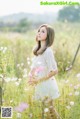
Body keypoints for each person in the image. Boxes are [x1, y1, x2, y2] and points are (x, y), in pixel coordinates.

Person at [28, 24, 61, 119]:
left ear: (49, 36)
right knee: (45, 110)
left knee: (50, 110)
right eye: (39, 31)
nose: (39, 33)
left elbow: (55, 71)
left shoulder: (48, 51)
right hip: (40, 84)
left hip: (47, 84)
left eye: (43, 31)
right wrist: (31, 76)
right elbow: (34, 67)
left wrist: (38, 80)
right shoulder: (38, 50)